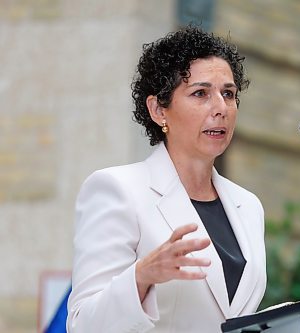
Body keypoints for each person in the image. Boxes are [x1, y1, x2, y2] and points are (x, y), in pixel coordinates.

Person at [66, 26, 267, 333]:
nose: (221, 108)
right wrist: (142, 276)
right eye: (201, 93)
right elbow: (82, 325)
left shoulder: (248, 206)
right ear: (159, 110)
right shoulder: (118, 190)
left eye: (228, 93)